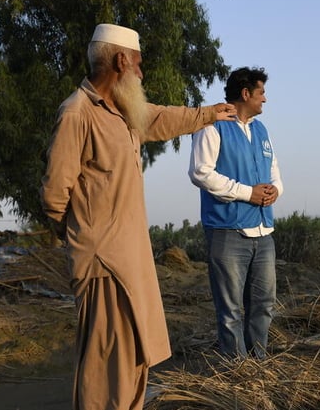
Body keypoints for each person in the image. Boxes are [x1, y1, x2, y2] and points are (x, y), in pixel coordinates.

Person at [40, 23, 236, 409]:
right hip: (103, 266)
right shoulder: (77, 113)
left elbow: (162, 119)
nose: (142, 74)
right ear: (121, 60)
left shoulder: (122, 112)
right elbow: (53, 195)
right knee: (104, 366)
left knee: (132, 360)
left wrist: (208, 114)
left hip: (131, 261)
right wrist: (86, 236)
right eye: (140, 65)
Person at [189, 66, 283, 359]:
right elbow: (200, 172)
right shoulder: (212, 126)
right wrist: (247, 193)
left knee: (263, 304)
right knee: (230, 311)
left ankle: (259, 367)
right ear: (246, 94)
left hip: (263, 233)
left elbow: (274, 170)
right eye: (261, 93)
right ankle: (237, 375)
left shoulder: (262, 130)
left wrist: (276, 190)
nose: (265, 99)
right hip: (227, 232)